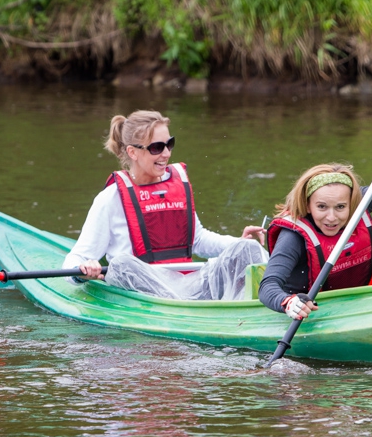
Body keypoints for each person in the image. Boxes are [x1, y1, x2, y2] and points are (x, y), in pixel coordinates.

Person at [63, 110, 268, 300]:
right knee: (122, 263)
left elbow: (198, 240)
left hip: (191, 285)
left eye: (169, 144)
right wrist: (84, 270)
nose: (166, 154)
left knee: (247, 248)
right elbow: (75, 260)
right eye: (156, 148)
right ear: (132, 152)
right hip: (144, 291)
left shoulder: (177, 185)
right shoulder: (110, 198)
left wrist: (238, 243)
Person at [259, 139, 372, 319]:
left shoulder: (358, 203)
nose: (331, 217)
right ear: (308, 205)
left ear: (351, 204)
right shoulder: (292, 236)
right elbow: (267, 286)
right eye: (322, 207)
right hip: (303, 312)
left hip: (348, 306)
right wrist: (288, 302)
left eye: (340, 207)